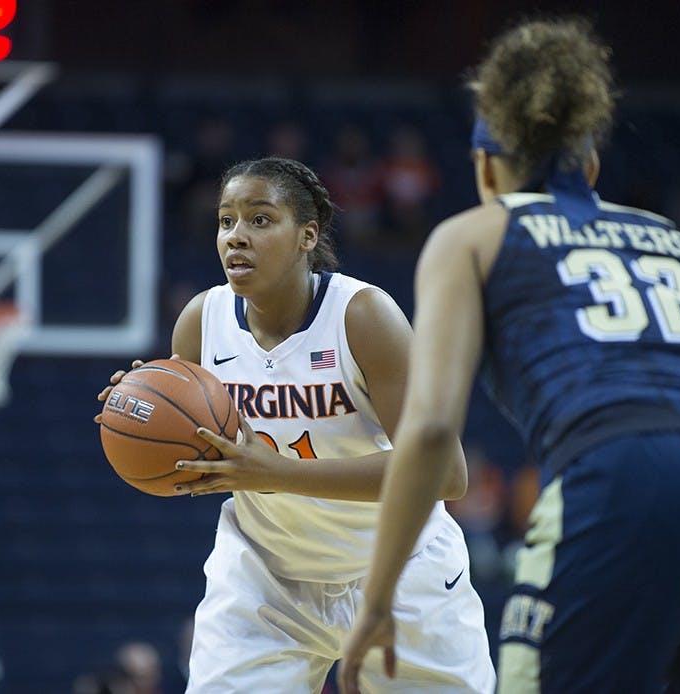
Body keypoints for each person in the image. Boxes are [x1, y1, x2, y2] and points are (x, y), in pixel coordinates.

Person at [339, 18, 680, 694]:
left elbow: (431, 429)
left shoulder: (473, 235)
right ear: (593, 166)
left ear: (485, 166)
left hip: (624, 471)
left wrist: (375, 601)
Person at [97, 157, 495, 692]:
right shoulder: (201, 320)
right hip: (267, 580)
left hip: (400, 573)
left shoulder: (363, 316)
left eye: (260, 219)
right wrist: (142, 409)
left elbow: (446, 475)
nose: (236, 236)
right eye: (226, 221)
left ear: (307, 235)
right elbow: (197, 457)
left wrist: (276, 473)